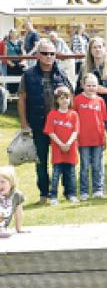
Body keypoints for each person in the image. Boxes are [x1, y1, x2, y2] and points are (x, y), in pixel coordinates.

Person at [17, 39, 71, 204]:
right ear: (38, 55)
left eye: (52, 53)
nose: (48, 56)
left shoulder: (61, 73)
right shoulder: (28, 75)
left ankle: (68, 192)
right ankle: (44, 194)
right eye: (45, 53)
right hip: (38, 124)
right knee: (41, 161)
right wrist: (24, 124)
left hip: (60, 126)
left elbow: (71, 97)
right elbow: (21, 100)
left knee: (64, 160)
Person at [73, 73, 107, 200]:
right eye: (88, 85)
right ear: (83, 85)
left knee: (98, 166)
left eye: (94, 85)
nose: (91, 88)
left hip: (97, 139)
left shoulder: (100, 101)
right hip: (83, 139)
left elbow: (103, 121)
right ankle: (83, 191)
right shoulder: (77, 100)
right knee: (84, 166)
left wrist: (104, 138)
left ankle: (98, 189)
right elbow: (73, 120)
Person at [44, 86, 80, 205]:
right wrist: (60, 144)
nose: (64, 101)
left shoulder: (74, 114)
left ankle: (71, 194)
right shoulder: (52, 114)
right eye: (61, 98)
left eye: (67, 98)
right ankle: (53, 196)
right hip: (57, 150)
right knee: (56, 175)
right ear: (56, 100)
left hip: (71, 149)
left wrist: (68, 143)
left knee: (71, 174)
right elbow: (50, 131)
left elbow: (75, 131)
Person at [0, 166, 27, 237]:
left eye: (2, 181)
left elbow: (19, 213)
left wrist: (18, 229)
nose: (0, 185)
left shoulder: (16, 195)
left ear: (11, 182)